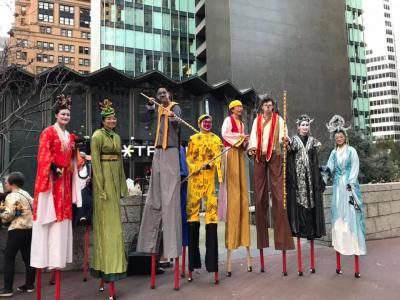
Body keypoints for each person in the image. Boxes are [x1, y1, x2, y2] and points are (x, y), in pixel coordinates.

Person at [30, 94, 83, 300]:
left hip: (65, 179)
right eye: (63, 113)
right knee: (48, 217)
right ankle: (44, 258)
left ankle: (58, 258)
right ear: (56, 115)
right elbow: (43, 154)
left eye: (68, 114)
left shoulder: (70, 137)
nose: (66, 116)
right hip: (51, 179)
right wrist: (53, 167)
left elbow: (72, 157)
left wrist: (79, 161)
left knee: (62, 219)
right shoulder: (48, 132)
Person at [137, 86, 182, 290]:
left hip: (171, 150)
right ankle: (147, 245)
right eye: (159, 95)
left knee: (170, 199)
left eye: (164, 94)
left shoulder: (175, 107)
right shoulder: (156, 108)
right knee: (154, 198)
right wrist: (148, 109)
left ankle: (171, 251)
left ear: (169, 95)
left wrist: (173, 118)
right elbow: (145, 122)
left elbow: (178, 125)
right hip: (157, 151)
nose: (161, 97)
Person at [247, 96, 295, 275]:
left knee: (278, 194)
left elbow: (284, 133)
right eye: (266, 105)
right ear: (261, 107)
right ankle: (261, 239)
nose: (268, 107)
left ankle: (282, 239)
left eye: (271, 105)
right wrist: (251, 147)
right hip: (260, 156)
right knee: (259, 197)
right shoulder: (257, 121)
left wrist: (285, 139)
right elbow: (253, 137)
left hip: (274, 155)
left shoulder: (279, 119)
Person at [90, 99, 128, 299]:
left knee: (116, 227)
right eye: (109, 118)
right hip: (103, 180)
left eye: (114, 118)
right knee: (107, 227)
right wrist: (101, 187)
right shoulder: (97, 136)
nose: (112, 121)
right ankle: (106, 268)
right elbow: (95, 163)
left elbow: (121, 162)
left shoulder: (117, 136)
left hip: (115, 177)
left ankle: (115, 267)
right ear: (103, 120)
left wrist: (122, 187)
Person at [324, 115, 366, 278]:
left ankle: (354, 248)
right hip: (337, 189)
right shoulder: (334, 152)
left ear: (345, 137)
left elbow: (355, 167)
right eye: (337, 137)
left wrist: (351, 182)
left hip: (349, 188)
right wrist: (323, 174)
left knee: (351, 217)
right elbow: (329, 168)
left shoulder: (352, 151)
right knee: (339, 219)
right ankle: (340, 250)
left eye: (341, 137)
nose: (339, 139)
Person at [286, 114, 326, 275]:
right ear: (298, 127)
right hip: (298, 181)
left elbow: (316, 160)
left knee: (311, 205)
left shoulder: (313, 142)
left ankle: (310, 231)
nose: (305, 127)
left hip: (310, 180)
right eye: (302, 125)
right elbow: (288, 153)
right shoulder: (293, 140)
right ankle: (299, 230)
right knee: (299, 204)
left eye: (307, 125)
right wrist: (285, 144)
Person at [186, 114, 222, 284]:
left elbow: (219, 158)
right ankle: (193, 263)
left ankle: (212, 264)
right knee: (192, 218)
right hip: (195, 181)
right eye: (204, 122)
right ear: (199, 123)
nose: (207, 124)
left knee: (211, 218)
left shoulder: (216, 139)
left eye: (209, 122)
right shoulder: (193, 138)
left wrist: (213, 163)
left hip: (209, 182)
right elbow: (189, 158)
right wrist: (196, 166)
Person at [219, 100, 252, 277]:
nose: (241, 108)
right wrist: (241, 139)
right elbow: (226, 134)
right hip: (231, 154)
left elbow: (242, 141)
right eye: (238, 106)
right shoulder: (228, 120)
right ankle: (232, 240)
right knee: (232, 191)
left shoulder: (241, 123)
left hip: (239, 154)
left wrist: (245, 142)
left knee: (241, 191)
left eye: (241, 106)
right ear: (233, 108)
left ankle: (244, 241)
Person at [0, 172, 35, 297]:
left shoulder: (11, 196)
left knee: (9, 258)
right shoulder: (25, 193)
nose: (5, 184)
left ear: (12, 184)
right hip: (29, 229)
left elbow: (10, 214)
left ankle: (8, 289)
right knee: (28, 258)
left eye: (6, 182)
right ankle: (29, 285)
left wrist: (1, 218)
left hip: (16, 229)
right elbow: (30, 207)